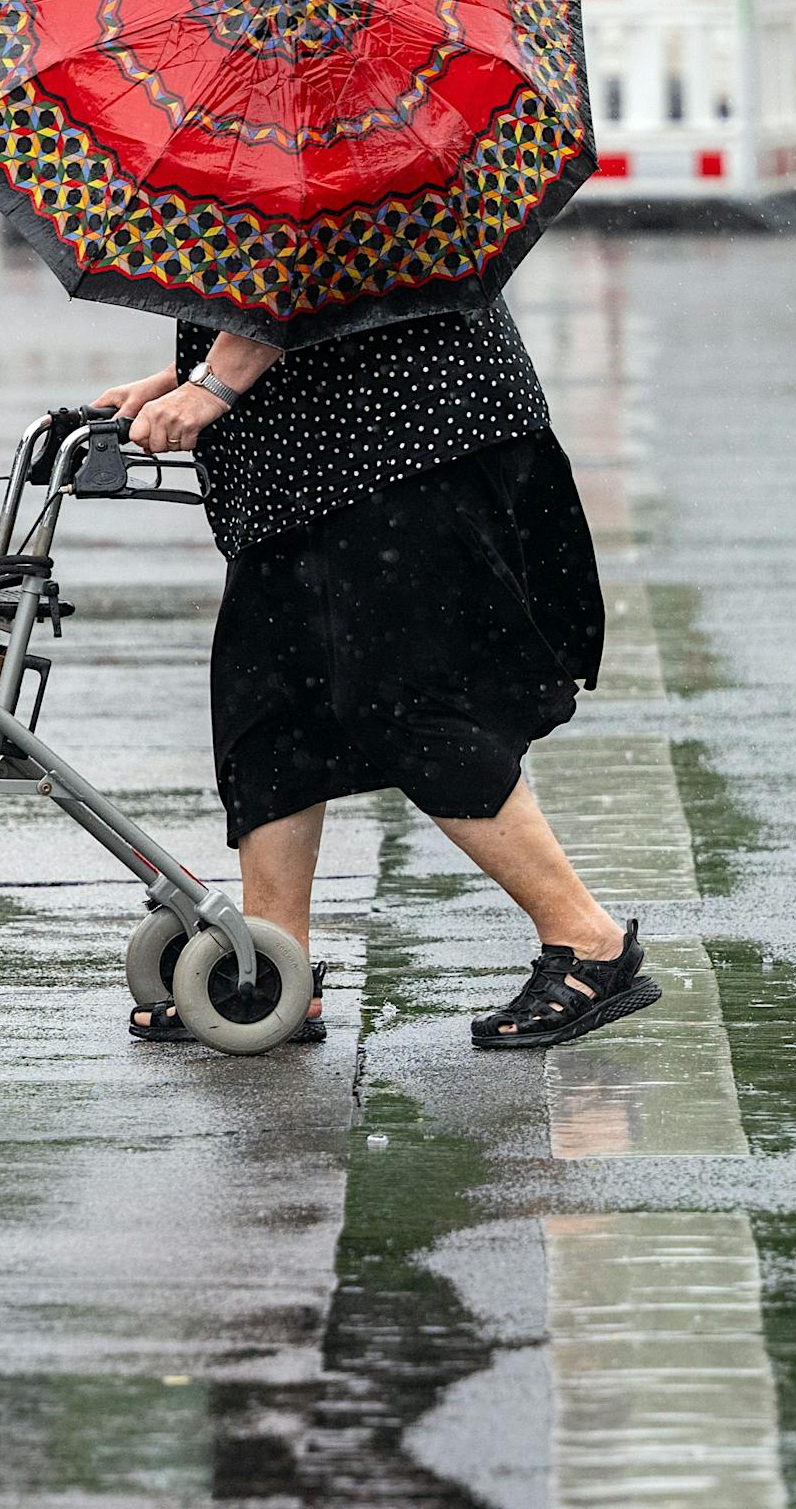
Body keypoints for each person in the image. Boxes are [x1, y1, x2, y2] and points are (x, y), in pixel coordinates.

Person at [96, 302, 660, 1052]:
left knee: (404, 702)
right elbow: (295, 296)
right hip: (305, 463)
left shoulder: (352, 182)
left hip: (407, 443)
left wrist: (214, 389)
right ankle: (271, 972)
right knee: (270, 711)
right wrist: (179, 378)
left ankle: (588, 939)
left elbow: (312, 264)